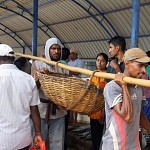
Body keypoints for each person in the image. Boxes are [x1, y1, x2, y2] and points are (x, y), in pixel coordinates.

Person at [101, 48, 150, 150]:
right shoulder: (112, 87)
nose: (144, 71)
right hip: (115, 145)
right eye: (140, 65)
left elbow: (138, 113)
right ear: (127, 63)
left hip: (134, 145)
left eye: (145, 66)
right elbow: (127, 116)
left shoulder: (139, 86)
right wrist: (124, 86)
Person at [0, 44, 42, 150]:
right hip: (22, 139)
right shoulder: (28, 79)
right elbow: (34, 109)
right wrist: (38, 133)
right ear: (13, 59)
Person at [31, 38, 67, 150]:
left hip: (59, 110)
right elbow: (33, 88)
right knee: (39, 142)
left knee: (57, 142)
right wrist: (40, 77)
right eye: (53, 48)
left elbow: (66, 89)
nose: (56, 51)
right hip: (41, 111)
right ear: (47, 49)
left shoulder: (64, 67)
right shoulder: (37, 64)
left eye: (58, 49)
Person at [89, 53, 108, 150]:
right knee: (94, 136)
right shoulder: (94, 74)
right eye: (98, 60)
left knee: (101, 136)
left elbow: (106, 96)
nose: (99, 63)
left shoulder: (107, 76)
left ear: (106, 63)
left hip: (102, 111)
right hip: (93, 111)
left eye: (102, 61)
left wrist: (104, 112)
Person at [68, 48, 85, 125]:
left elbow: (77, 71)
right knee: (70, 102)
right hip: (70, 84)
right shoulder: (68, 63)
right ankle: (71, 119)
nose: (70, 55)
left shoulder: (80, 62)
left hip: (77, 84)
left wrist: (70, 72)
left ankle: (75, 119)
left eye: (72, 53)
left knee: (76, 102)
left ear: (75, 54)